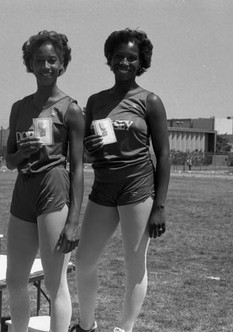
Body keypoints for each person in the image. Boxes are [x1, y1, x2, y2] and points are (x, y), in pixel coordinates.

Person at [70, 28, 170, 332]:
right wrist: (90, 147)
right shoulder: (96, 101)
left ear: (141, 62)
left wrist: (160, 206)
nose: (124, 62)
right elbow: (85, 151)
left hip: (137, 190)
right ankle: (86, 326)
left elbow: (164, 155)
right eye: (118, 57)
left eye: (131, 58)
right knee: (84, 260)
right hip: (104, 189)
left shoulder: (150, 101)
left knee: (134, 264)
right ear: (109, 60)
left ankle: (124, 328)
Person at [5, 30, 85, 332]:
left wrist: (74, 220)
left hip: (54, 187)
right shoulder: (19, 108)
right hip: (23, 189)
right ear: (30, 64)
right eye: (39, 60)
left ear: (62, 64)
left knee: (54, 282)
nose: (46, 66)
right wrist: (20, 153)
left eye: (52, 60)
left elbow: (77, 168)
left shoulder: (71, 109)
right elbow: (9, 159)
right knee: (15, 280)